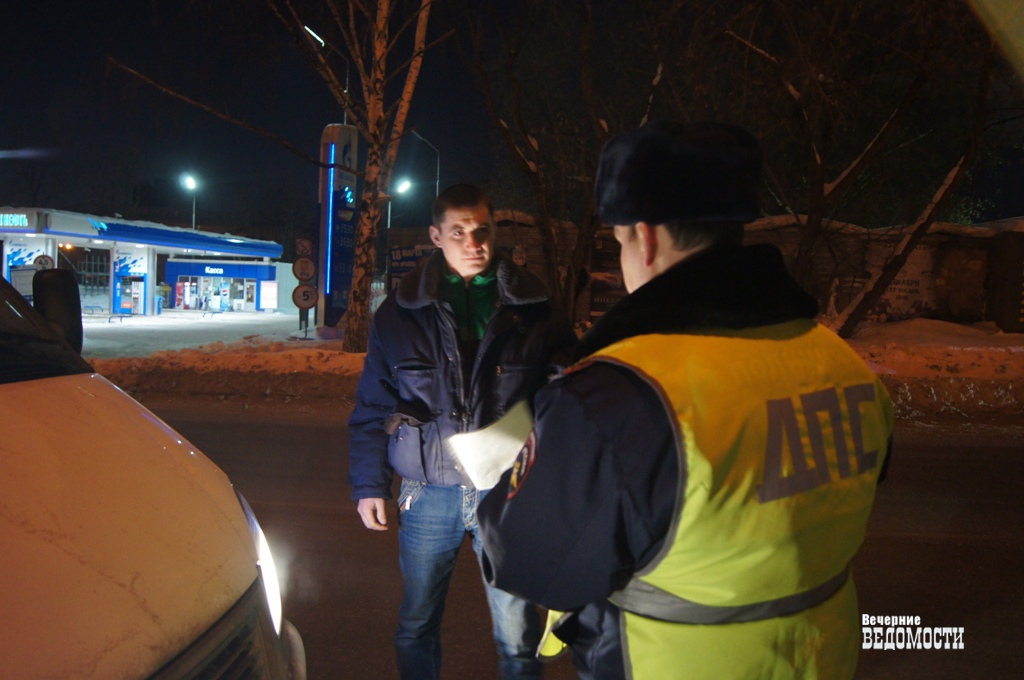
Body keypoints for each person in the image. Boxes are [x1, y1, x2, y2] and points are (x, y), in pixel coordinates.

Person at [477, 121, 894, 679]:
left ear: (645, 238)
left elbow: (527, 560)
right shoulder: (843, 364)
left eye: (618, 241)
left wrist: (519, 468)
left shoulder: (616, 398)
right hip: (818, 661)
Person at [348, 183, 576, 680]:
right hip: (427, 492)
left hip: (509, 489)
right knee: (417, 623)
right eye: (458, 232)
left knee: (517, 633)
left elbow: (565, 391)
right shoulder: (399, 313)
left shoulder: (535, 307)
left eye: (482, 230)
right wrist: (369, 485)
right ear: (436, 235)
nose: (474, 243)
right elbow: (373, 405)